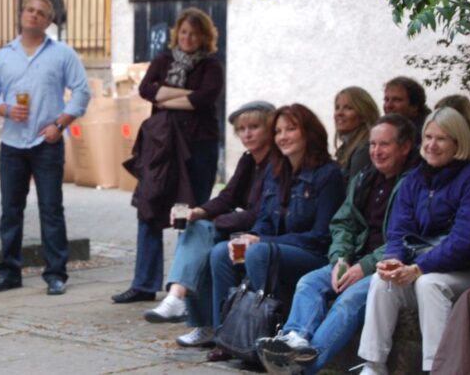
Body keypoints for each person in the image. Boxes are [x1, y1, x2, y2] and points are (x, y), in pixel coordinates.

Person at [257, 114, 416, 374]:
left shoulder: (413, 183)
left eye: (384, 145)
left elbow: (407, 239)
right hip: (354, 259)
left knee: (349, 300)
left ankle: (302, 367)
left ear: (405, 147)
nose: (376, 151)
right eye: (373, 145)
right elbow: (343, 222)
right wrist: (340, 258)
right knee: (309, 283)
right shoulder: (365, 178)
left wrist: (364, 267)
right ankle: (294, 340)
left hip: (389, 265)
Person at [207, 104, 345, 362]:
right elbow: (264, 220)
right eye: (278, 131)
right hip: (273, 247)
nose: (282, 136)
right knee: (220, 253)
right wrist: (250, 236)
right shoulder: (275, 170)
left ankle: (263, 340)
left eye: (291, 129)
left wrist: (262, 241)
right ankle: (225, 337)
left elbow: (322, 235)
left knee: (259, 253)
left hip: (313, 254)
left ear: (309, 133)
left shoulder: (328, 174)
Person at [112, 7, 224, 304]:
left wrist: (168, 95)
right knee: (150, 206)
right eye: (184, 32)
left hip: (198, 147)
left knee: (192, 213)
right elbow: (148, 90)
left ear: (204, 37)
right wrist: (185, 96)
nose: (188, 38)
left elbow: (205, 98)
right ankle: (144, 283)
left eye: (194, 33)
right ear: (177, 33)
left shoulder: (211, 66)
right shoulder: (163, 60)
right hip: (162, 146)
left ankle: (185, 285)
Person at [0, 0, 91, 296]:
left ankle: (56, 274)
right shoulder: (3, 55)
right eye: (30, 10)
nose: (34, 15)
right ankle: (9, 273)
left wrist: (60, 125)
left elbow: (82, 91)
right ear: (21, 14)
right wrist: (5, 109)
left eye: (41, 13)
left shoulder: (63, 54)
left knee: (51, 209)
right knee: (10, 210)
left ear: (48, 22)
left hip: (47, 142)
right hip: (12, 143)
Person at [142, 101, 274, 349]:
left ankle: (190, 312)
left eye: (254, 127)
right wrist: (198, 212)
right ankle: (183, 306)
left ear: (269, 128)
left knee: (208, 243)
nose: (247, 134)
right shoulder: (249, 160)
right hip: (243, 228)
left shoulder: (276, 163)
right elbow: (228, 196)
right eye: (242, 129)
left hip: (264, 235)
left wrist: (214, 220)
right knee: (195, 230)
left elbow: (261, 213)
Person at [357, 107, 470, 374]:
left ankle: (438, 368)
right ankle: (373, 365)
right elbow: (398, 231)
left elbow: (464, 240)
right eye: (428, 137)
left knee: (429, 283)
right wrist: (392, 261)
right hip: (421, 265)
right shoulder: (414, 180)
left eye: (441, 138)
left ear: (458, 141)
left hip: (463, 270)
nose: (431, 145)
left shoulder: (468, 178)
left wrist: (419, 267)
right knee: (381, 280)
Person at [334, 86, 380, 183]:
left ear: (364, 114)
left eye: (348, 108)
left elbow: (354, 194)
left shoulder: (364, 149)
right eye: (337, 108)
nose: (339, 113)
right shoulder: (346, 147)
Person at [382, 76, 431, 143]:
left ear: (414, 105)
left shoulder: (426, 133)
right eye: (386, 100)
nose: (388, 105)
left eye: (397, 100)